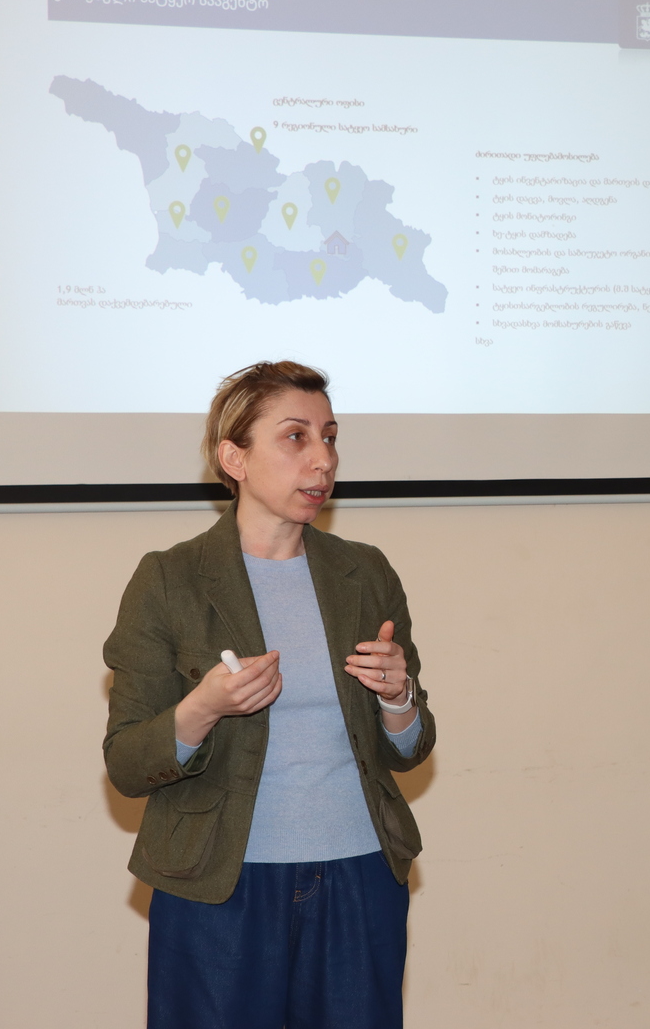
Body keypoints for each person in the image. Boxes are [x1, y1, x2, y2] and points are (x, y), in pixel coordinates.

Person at [103, 360, 435, 1029]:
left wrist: (398, 698)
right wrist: (203, 708)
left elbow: (411, 747)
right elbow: (128, 763)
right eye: (295, 437)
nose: (323, 459)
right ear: (236, 458)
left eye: (330, 437)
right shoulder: (169, 579)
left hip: (360, 873)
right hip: (219, 882)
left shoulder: (365, 572)